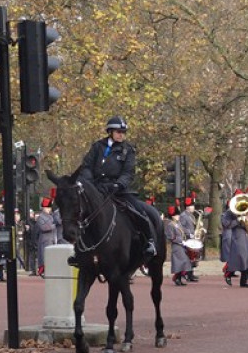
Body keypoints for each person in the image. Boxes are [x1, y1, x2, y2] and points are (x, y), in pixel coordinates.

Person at [75, 115, 156, 261]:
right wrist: (89, 182)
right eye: (119, 132)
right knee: (79, 212)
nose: (121, 135)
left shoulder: (128, 150)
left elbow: (128, 172)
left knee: (139, 211)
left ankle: (149, 242)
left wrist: (118, 184)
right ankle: (78, 251)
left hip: (117, 190)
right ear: (110, 132)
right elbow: (86, 166)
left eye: (123, 132)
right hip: (97, 188)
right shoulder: (97, 147)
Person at [220, 191, 248, 287]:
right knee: (241, 258)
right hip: (236, 237)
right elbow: (226, 224)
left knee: (246, 258)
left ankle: (243, 281)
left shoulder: (244, 210)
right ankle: (229, 273)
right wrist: (237, 220)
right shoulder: (229, 213)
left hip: (245, 236)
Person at [178, 195, 203, 283]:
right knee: (188, 257)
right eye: (192, 206)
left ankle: (190, 273)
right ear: (188, 207)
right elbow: (181, 227)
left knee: (192, 257)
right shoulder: (183, 215)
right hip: (187, 238)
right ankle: (187, 274)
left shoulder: (191, 216)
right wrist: (189, 233)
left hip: (192, 238)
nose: (194, 207)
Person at [165, 203, 191, 286]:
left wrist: (190, 234)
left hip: (182, 245)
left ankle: (178, 278)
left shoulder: (178, 223)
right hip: (177, 246)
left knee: (184, 262)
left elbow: (183, 230)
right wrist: (180, 241)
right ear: (173, 216)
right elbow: (171, 237)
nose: (178, 216)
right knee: (179, 262)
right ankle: (177, 278)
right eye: (177, 215)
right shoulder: (170, 225)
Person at [35, 196, 58, 277]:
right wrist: (54, 225)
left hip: (51, 239)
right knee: (44, 257)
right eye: (47, 208)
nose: (49, 209)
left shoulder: (51, 216)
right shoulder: (40, 217)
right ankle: (42, 271)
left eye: (49, 208)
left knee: (50, 257)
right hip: (45, 239)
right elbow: (44, 228)